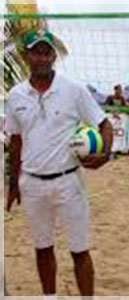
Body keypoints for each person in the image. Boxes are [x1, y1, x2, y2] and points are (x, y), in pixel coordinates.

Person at [5, 29, 113, 297]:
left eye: (46, 52)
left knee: (79, 250)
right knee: (42, 248)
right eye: (36, 52)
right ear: (26, 56)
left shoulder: (73, 90)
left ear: (54, 55)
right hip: (31, 182)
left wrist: (105, 154)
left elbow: (104, 124)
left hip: (68, 180)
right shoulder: (16, 95)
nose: (42, 58)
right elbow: (16, 141)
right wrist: (13, 184)